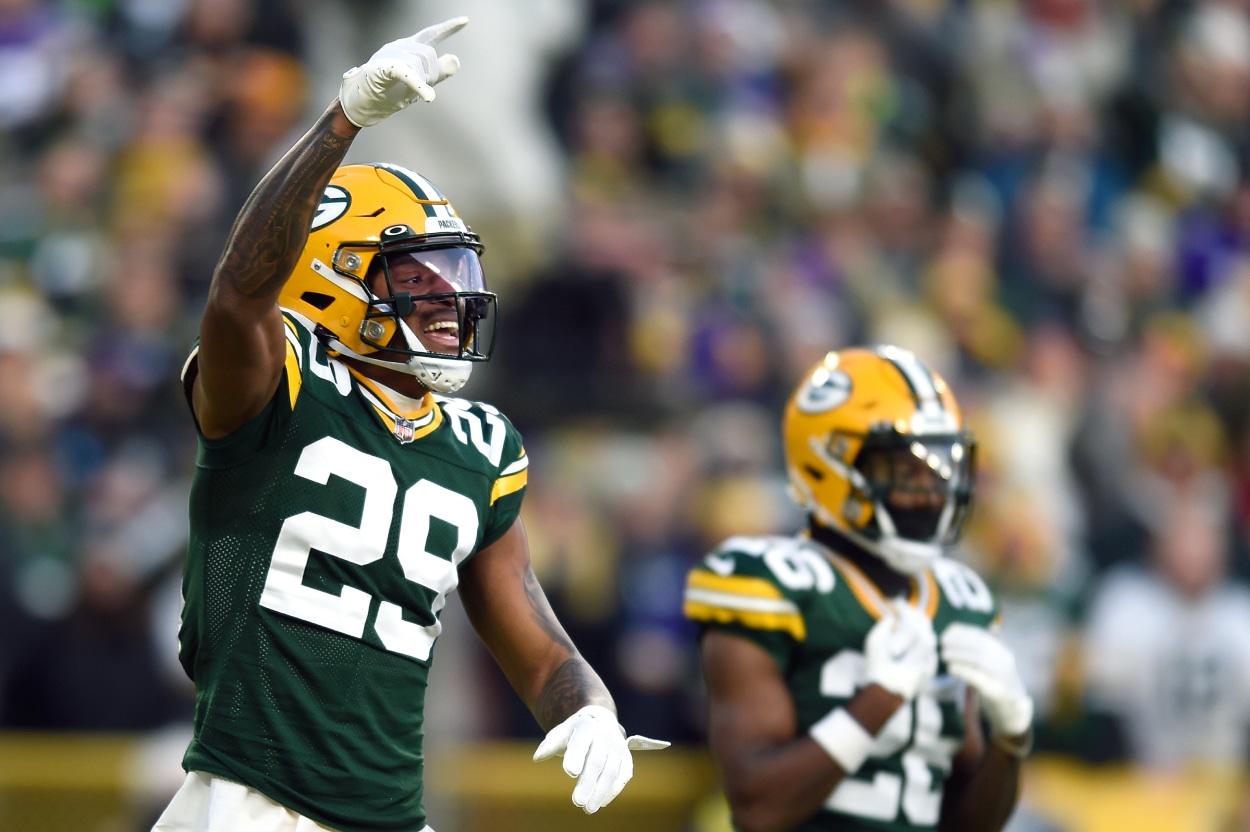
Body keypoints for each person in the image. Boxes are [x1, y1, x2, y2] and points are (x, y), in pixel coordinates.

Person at [153, 17, 665, 832]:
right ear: (332, 285)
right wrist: (343, 122)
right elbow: (238, 293)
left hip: (391, 817)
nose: (449, 303)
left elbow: (532, 631)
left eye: (455, 275)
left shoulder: (478, 446)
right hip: (248, 803)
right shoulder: (276, 385)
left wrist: (587, 707)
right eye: (416, 280)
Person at [684, 346, 1034, 832]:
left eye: (939, 469)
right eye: (902, 470)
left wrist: (1012, 738)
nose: (930, 490)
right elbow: (757, 807)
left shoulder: (961, 599)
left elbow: (968, 826)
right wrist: (879, 699)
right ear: (829, 462)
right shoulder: (768, 582)